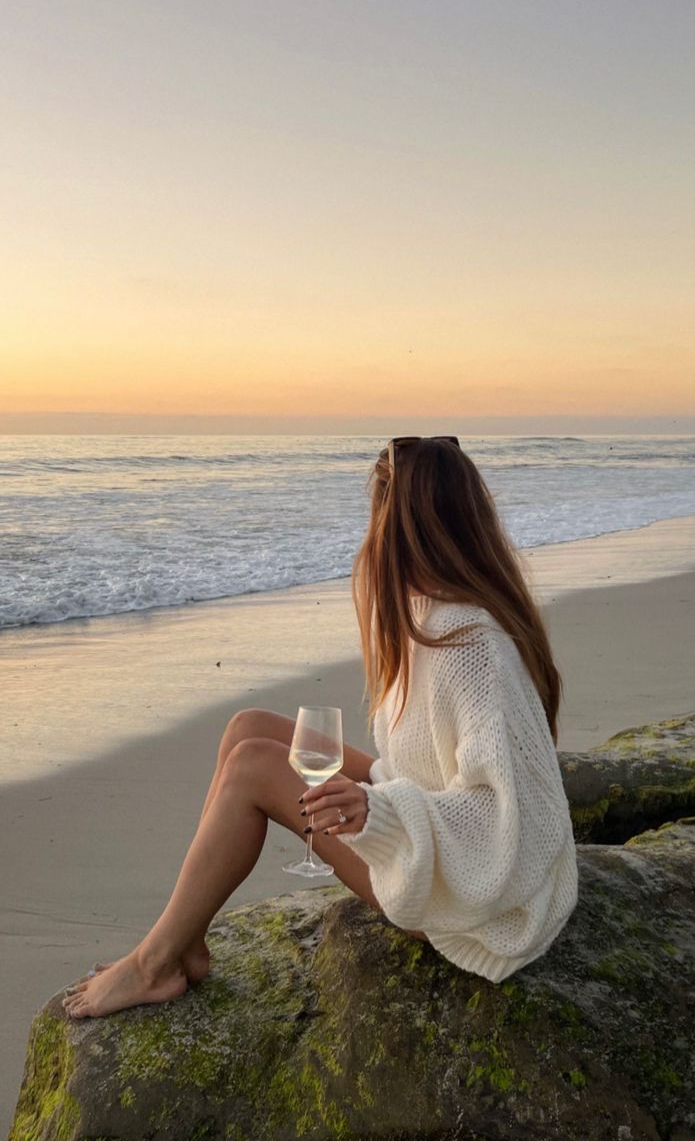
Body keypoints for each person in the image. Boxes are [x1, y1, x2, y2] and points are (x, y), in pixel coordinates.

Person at [62, 436, 578, 1018]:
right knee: (249, 727)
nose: (371, 537)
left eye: (378, 517)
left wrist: (377, 810)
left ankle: (153, 964)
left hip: (474, 907)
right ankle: (187, 942)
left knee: (253, 769)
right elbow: (430, 766)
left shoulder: (470, 646)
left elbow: (502, 817)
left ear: (402, 529)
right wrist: (379, 796)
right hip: (434, 844)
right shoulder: (431, 615)